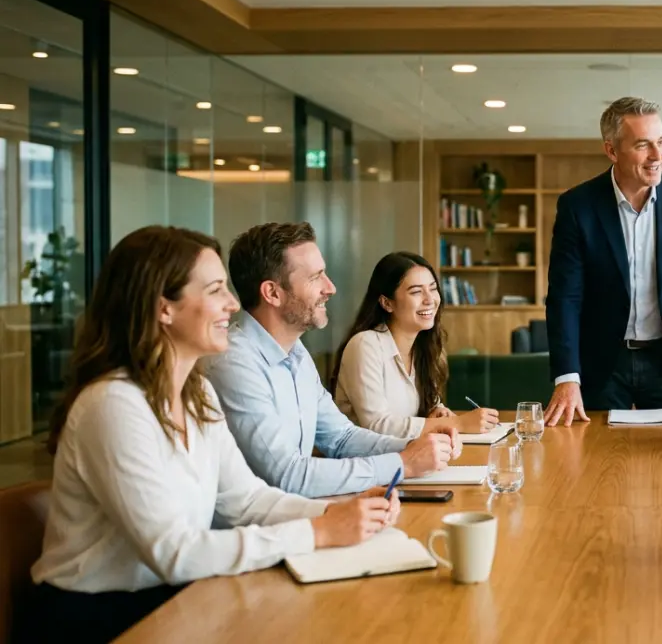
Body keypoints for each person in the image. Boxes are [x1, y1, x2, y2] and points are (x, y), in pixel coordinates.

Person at [25, 227, 399, 643]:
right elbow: (175, 553)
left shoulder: (195, 391)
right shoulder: (113, 404)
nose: (233, 304)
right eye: (216, 289)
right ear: (163, 308)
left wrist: (333, 514)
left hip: (174, 598)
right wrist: (318, 531)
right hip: (100, 620)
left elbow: (246, 500)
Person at [206, 222, 457, 498]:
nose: (331, 288)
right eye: (316, 277)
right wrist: (402, 463)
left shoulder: (296, 353)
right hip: (262, 528)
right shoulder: (235, 363)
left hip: (300, 514)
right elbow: (286, 476)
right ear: (273, 293)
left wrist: (414, 445)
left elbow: (342, 438)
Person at [544, 96, 662, 424]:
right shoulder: (578, 206)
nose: (658, 156)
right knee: (595, 463)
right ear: (612, 150)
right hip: (601, 364)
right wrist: (567, 377)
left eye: (661, 142)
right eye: (643, 145)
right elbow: (564, 299)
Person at [330, 251, 499, 437]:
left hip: (409, 457)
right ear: (387, 303)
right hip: (367, 462)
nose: (430, 300)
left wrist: (436, 412)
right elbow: (377, 426)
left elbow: (425, 410)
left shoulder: (424, 347)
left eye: (433, 288)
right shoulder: (365, 345)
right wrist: (457, 422)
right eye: (416, 292)